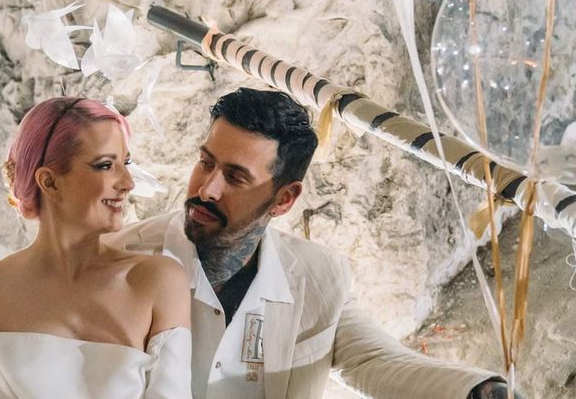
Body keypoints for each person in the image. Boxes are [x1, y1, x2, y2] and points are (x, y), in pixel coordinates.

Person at [105, 88, 521, 399]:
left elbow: (376, 360)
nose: (207, 189)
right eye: (206, 162)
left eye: (235, 177)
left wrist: (478, 391)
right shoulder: (118, 261)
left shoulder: (319, 276)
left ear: (284, 199)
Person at [0, 97, 192, 399]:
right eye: (105, 165)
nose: (127, 182)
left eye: (125, 163)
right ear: (49, 182)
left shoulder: (157, 282)